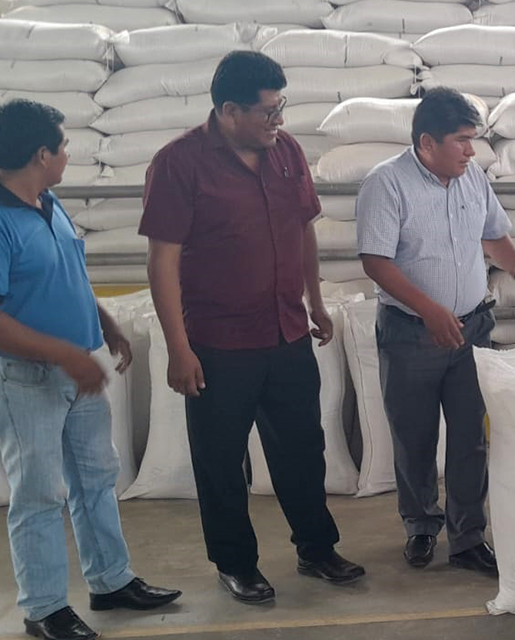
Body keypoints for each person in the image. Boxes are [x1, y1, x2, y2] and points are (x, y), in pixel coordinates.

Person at [0, 99, 180, 640]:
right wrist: (64, 355)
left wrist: (105, 325)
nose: (69, 155)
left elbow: (69, 273)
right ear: (41, 153)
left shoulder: (47, 201)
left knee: (97, 479)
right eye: (64, 146)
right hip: (23, 381)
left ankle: (110, 580)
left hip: (77, 372)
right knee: (40, 494)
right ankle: (45, 608)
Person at [140, 51, 364, 605]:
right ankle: (235, 563)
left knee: (302, 451)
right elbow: (162, 260)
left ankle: (316, 549)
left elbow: (303, 230)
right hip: (218, 343)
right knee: (220, 461)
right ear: (229, 110)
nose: (278, 121)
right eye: (268, 111)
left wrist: (316, 300)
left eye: (280, 107)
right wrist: (178, 348)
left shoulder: (286, 153)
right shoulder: (178, 164)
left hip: (286, 332)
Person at [357, 86, 515, 575]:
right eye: (462, 140)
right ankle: (422, 526)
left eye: (474, 140)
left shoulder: (472, 179)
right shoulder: (386, 184)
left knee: (470, 437)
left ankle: (468, 537)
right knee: (415, 436)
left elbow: (494, 236)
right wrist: (429, 310)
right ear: (427, 143)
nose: (472, 150)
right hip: (411, 335)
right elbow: (376, 261)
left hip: (473, 327)